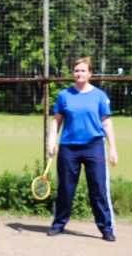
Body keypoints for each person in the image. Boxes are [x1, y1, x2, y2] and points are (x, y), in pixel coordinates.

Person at [46, 57, 119, 242]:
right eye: (76, 71)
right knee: (66, 188)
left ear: (90, 73)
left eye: (83, 71)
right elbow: (56, 121)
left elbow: (106, 123)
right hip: (68, 149)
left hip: (94, 147)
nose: (79, 74)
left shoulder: (100, 96)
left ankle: (106, 228)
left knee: (98, 189)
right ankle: (58, 224)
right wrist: (51, 142)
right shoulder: (64, 95)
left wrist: (113, 149)